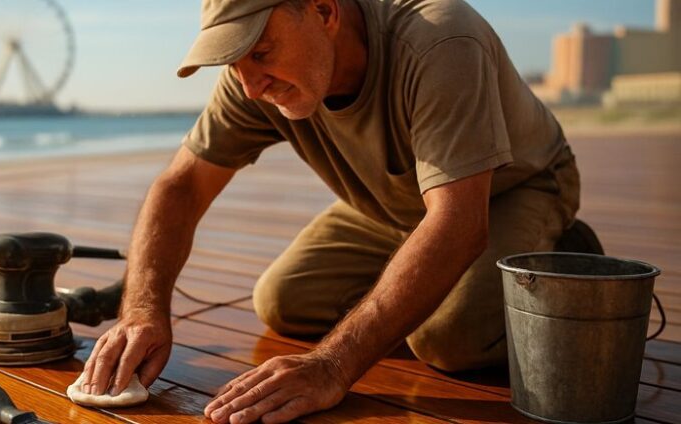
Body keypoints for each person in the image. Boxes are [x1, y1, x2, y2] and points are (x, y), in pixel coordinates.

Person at [80, 0, 594, 422]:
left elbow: (457, 224)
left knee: (446, 339)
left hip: (512, 188)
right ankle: (421, 269)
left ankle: (560, 255)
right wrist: (142, 311)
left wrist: (331, 365)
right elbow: (181, 186)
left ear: (324, 11)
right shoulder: (254, 81)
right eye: (235, 63)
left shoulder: (440, 39)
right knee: (283, 300)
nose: (252, 85)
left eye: (261, 51)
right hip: (396, 203)